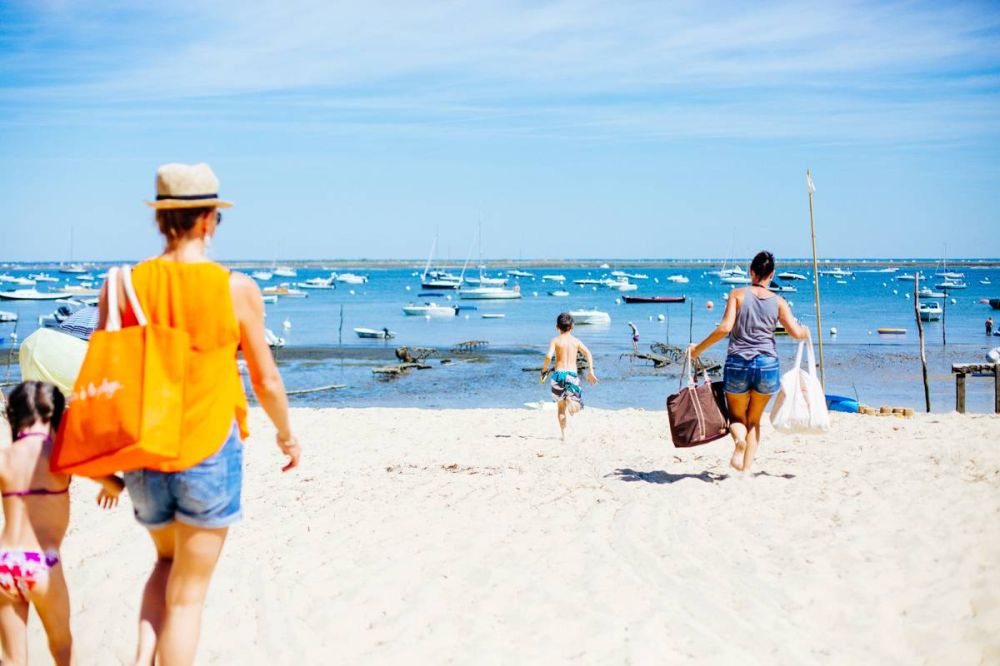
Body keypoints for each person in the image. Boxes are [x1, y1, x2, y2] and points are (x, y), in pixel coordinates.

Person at [97, 163, 301, 666]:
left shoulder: (121, 285)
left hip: (144, 450)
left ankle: (143, 657)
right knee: (187, 597)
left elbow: (107, 376)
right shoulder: (235, 288)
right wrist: (286, 435)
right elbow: (266, 380)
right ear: (210, 219)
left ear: (159, 220)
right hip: (208, 448)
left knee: (165, 562)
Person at [0, 381, 124, 666]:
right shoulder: (61, 455)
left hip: (4, 562)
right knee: (62, 647)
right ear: (56, 416)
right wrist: (110, 488)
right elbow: (115, 484)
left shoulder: (5, 458)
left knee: (12, 658)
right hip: (42, 562)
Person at [689, 251, 808, 473]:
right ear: (772, 275)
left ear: (751, 272)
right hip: (767, 366)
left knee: (736, 417)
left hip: (738, 364)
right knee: (754, 420)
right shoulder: (779, 302)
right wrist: (805, 332)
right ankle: (745, 471)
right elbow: (795, 333)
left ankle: (738, 442)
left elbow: (725, 328)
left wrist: (697, 349)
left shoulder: (737, 295)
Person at [542, 313, 598, 440]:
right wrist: (591, 372)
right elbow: (588, 353)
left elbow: (548, 356)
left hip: (558, 375)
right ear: (572, 326)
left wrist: (544, 370)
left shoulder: (555, 340)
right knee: (577, 406)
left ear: (557, 327)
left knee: (560, 408)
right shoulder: (576, 341)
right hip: (572, 375)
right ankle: (571, 402)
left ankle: (564, 435)